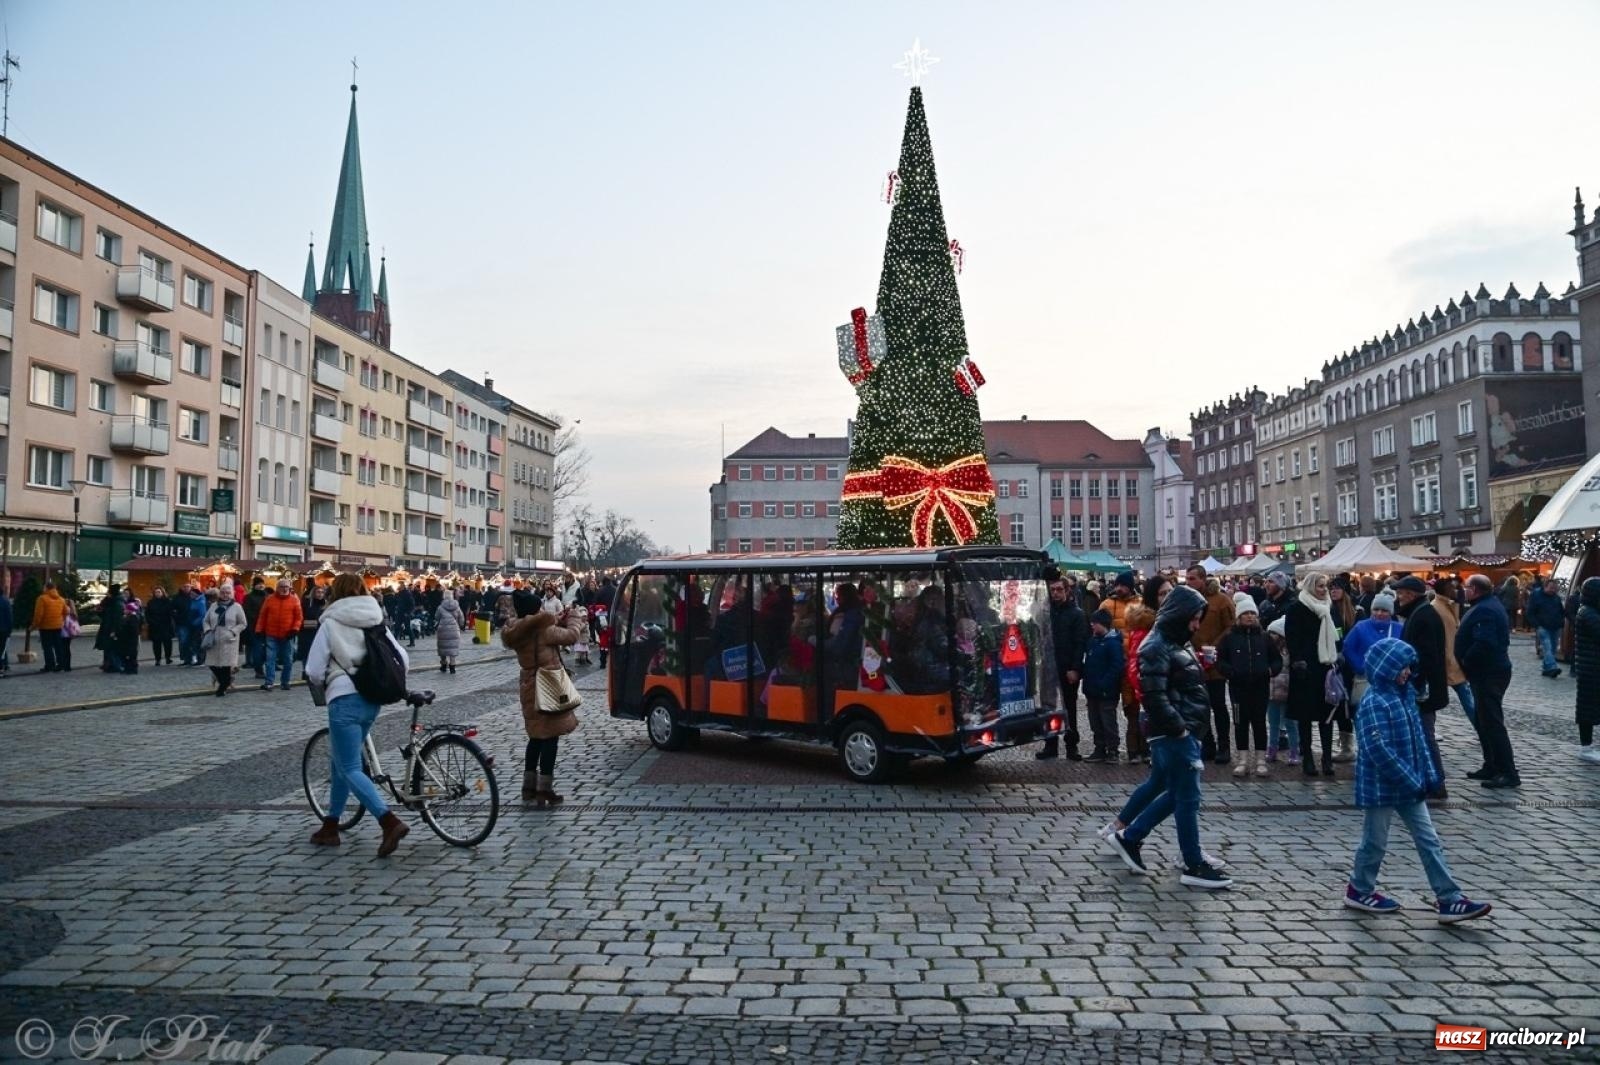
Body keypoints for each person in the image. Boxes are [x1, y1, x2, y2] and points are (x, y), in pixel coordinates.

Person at [1342, 638, 1493, 924]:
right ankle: (1359, 888)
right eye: (1402, 667)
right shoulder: (1375, 702)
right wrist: (1412, 779)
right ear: (1387, 668)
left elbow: (1420, 741)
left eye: (1409, 667)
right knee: (1375, 841)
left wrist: (1429, 774)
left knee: (1429, 840)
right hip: (1382, 787)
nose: (1408, 673)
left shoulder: (1405, 696)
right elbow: (1378, 751)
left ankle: (1449, 897)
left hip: (1411, 786)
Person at [1104, 584, 1232, 889]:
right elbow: (1154, 695)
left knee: (1178, 793)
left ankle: (1132, 837)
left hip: (1182, 730)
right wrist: (1179, 728)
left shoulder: (1175, 642)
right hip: (1174, 733)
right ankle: (1191, 862)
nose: (1196, 625)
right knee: (1186, 796)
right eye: (1194, 618)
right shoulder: (1156, 645)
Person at [305, 572, 412, 856]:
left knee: (350, 767)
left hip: (344, 698)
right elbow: (402, 656)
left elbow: (314, 670)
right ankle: (331, 824)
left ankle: (388, 821)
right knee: (341, 762)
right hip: (372, 698)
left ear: (335, 593)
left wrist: (323, 682)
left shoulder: (331, 622)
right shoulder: (375, 618)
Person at [503, 590, 586, 805]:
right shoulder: (544, 631)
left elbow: (542, 626)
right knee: (551, 736)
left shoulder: (519, 631)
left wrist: (559, 618)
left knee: (536, 737)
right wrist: (575, 618)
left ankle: (528, 787)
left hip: (529, 684)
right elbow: (571, 636)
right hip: (547, 684)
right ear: (534, 610)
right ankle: (544, 789)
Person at [1455, 573, 1519, 789]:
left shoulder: (1486, 609)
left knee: (1492, 723)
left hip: (1488, 672)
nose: (1464, 590)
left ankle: (1507, 771)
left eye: (1466, 587)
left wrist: (1466, 659)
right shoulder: (1487, 605)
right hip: (1485, 672)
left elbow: (1485, 642)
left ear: (1474, 589)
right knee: (1484, 721)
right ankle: (1491, 765)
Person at [1393, 577, 1449, 800]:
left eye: (1402, 593)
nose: (1399, 597)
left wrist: (1416, 682)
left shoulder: (1423, 615)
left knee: (1425, 736)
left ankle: (1436, 782)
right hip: (1421, 687)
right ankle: (1427, 780)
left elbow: (1426, 657)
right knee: (1421, 735)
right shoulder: (1420, 613)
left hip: (1422, 689)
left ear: (1412, 594)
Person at [1217, 593, 1279, 778]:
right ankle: (1242, 760)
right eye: (1246, 613)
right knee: (1240, 723)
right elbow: (1221, 661)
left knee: (1260, 723)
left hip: (1260, 687)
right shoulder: (1229, 638)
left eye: (1253, 613)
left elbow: (1276, 660)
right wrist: (1230, 672)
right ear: (1238, 617)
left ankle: (1260, 760)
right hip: (1238, 688)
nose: (1250, 616)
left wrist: (1269, 671)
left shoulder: (1265, 637)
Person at [1286, 572, 1338, 777]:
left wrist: (1338, 653)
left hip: (1326, 667)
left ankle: (1327, 758)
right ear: (1309, 587)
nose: (1324, 590)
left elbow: (1338, 632)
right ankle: (1307, 757)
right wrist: (1298, 660)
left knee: (1327, 717)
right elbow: (1292, 636)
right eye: (1319, 586)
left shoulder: (1329, 608)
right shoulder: (1297, 608)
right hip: (1305, 669)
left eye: (1325, 586)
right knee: (1305, 716)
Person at [1187, 567, 1237, 765]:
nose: (1188, 582)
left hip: (1214, 661)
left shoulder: (1221, 600)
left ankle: (1224, 746)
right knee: (1200, 707)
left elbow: (1230, 627)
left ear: (1202, 579)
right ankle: (1207, 745)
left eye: (1192, 578)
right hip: (1193, 660)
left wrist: (1214, 646)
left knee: (1218, 705)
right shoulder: (1189, 600)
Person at [1037, 570, 1089, 760]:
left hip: (1068, 666)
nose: (1056, 593)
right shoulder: (1045, 612)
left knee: (1070, 707)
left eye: (1060, 589)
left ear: (1067, 591)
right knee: (1048, 706)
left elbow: (1080, 643)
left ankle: (1071, 745)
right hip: (1049, 666)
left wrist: (1075, 668)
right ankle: (1050, 744)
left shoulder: (1076, 614)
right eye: (1053, 590)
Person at [1119, 575, 1168, 765]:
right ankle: (1143, 751)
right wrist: (1145, 689)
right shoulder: (1144, 626)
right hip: (1154, 689)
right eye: (1162, 593)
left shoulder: (1176, 620)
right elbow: (1135, 663)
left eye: (1169, 592)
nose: (1166, 597)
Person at [1343, 591, 1404, 708]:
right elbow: (1348, 647)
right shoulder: (1361, 626)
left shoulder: (1398, 628)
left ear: (1390, 612)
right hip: (1366, 680)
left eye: (1384, 610)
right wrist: (1360, 667)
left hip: (1391, 681)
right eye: (1376, 609)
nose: (1379, 613)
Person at [1431, 578, 1476, 726]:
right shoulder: (1437, 608)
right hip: (1446, 661)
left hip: (1453, 660)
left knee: (1467, 698)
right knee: (1433, 701)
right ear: (1443, 590)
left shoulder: (1449, 605)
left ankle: (1482, 729)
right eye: (1451, 588)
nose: (1454, 591)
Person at [1082, 608, 1124, 763]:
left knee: (1108, 721)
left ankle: (1113, 750)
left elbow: (1116, 666)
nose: (1092, 625)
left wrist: (1105, 683)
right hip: (1092, 690)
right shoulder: (1093, 641)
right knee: (1095, 721)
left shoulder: (1112, 643)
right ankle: (1099, 748)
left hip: (1106, 691)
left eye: (1094, 623)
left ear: (1103, 624)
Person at [256, 579, 304, 692]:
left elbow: (298, 617)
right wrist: (259, 630)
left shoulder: (294, 600)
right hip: (271, 634)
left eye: (286, 587)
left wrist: (294, 629)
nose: (284, 589)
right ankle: (269, 682)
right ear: (277, 588)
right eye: (281, 586)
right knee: (270, 660)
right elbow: (262, 616)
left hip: (287, 635)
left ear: (289, 588)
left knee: (288, 660)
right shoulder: (269, 599)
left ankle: (285, 682)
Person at [201, 582, 248, 697]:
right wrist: (207, 630)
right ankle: (224, 683)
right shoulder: (213, 606)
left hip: (229, 640)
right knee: (212, 664)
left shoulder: (237, 607)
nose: (225, 595)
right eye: (223, 592)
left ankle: (222, 688)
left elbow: (243, 623)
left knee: (226, 666)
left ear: (232, 594)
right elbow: (205, 620)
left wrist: (233, 632)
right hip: (214, 639)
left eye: (228, 593)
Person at [1265, 617, 1300, 765]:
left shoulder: (1290, 651)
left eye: (1274, 633)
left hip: (1287, 692)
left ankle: (1294, 751)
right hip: (1271, 692)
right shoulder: (1268, 650)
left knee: (1290, 723)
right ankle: (1272, 748)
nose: (1271, 636)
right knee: (1273, 722)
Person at [1574, 577, 1600, 764]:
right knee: (1587, 708)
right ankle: (1586, 747)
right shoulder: (1587, 613)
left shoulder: (1591, 611)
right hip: (1591, 669)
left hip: (1593, 667)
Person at [1527, 578, 1566, 678]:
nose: (1553, 590)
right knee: (1547, 646)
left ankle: (1546, 669)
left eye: (1554, 588)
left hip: (1555, 626)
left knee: (1552, 649)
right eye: (1551, 588)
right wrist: (1536, 625)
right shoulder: (1536, 596)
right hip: (1542, 626)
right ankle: (1552, 667)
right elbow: (1530, 612)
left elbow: (1561, 611)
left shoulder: (1556, 598)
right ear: (1545, 587)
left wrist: (1561, 622)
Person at [31, 579, 70, 673]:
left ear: (46, 588)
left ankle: (49, 665)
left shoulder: (42, 598)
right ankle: (60, 664)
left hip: (45, 627)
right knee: (58, 646)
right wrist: (61, 619)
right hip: (58, 626)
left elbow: (38, 614)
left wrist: (34, 626)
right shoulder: (61, 599)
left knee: (47, 647)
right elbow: (67, 611)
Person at [298, 584, 327, 680]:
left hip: (320, 632)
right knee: (306, 652)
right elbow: (301, 617)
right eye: (318, 592)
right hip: (307, 632)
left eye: (322, 592)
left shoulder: (325, 604)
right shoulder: (307, 603)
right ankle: (305, 671)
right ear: (313, 593)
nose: (320, 594)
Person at [242, 577, 270, 678]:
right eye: (258, 584)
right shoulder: (249, 597)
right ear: (254, 585)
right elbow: (247, 612)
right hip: (254, 628)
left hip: (268, 627)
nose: (261, 585)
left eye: (262, 583)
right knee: (257, 649)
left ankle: (262, 666)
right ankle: (259, 670)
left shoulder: (268, 597)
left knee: (267, 650)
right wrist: (259, 619)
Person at [95, 583, 126, 673]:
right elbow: (105, 615)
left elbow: (117, 619)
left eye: (109, 592)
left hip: (112, 628)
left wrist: (114, 630)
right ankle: (108, 664)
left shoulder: (117, 603)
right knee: (107, 647)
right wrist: (100, 611)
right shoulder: (110, 602)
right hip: (106, 627)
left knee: (112, 648)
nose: (107, 594)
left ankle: (114, 665)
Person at [144, 585, 176, 666]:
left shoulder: (168, 601)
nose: (157, 594)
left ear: (162, 592)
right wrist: (151, 621)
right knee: (156, 644)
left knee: (167, 643)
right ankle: (157, 659)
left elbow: (171, 613)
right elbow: (147, 614)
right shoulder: (151, 602)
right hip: (155, 626)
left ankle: (168, 658)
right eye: (156, 592)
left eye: (159, 592)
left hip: (166, 625)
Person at [435, 590, 466, 673]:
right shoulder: (457, 607)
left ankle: (443, 664)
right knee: (453, 649)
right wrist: (460, 625)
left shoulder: (440, 607)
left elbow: (436, 617)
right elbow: (461, 618)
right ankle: (452, 666)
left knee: (443, 648)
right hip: (454, 630)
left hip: (443, 630)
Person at [116, 595, 143, 674]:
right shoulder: (127, 617)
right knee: (126, 654)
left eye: (126, 609)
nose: (124, 610)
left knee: (130, 655)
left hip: (130, 640)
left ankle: (131, 669)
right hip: (126, 640)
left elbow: (133, 630)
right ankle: (128, 668)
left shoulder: (133, 618)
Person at [181, 585, 207, 667]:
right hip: (191, 625)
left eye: (192, 594)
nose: (191, 595)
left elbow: (202, 615)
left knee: (198, 643)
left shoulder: (200, 602)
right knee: (193, 643)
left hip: (198, 626)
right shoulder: (193, 601)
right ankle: (194, 659)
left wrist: (195, 623)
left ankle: (201, 659)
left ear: (196, 594)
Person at [0, 584, 12, 677]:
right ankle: (3, 665)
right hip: (4, 629)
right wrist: (9, 630)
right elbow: (9, 617)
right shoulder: (5, 601)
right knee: (2, 648)